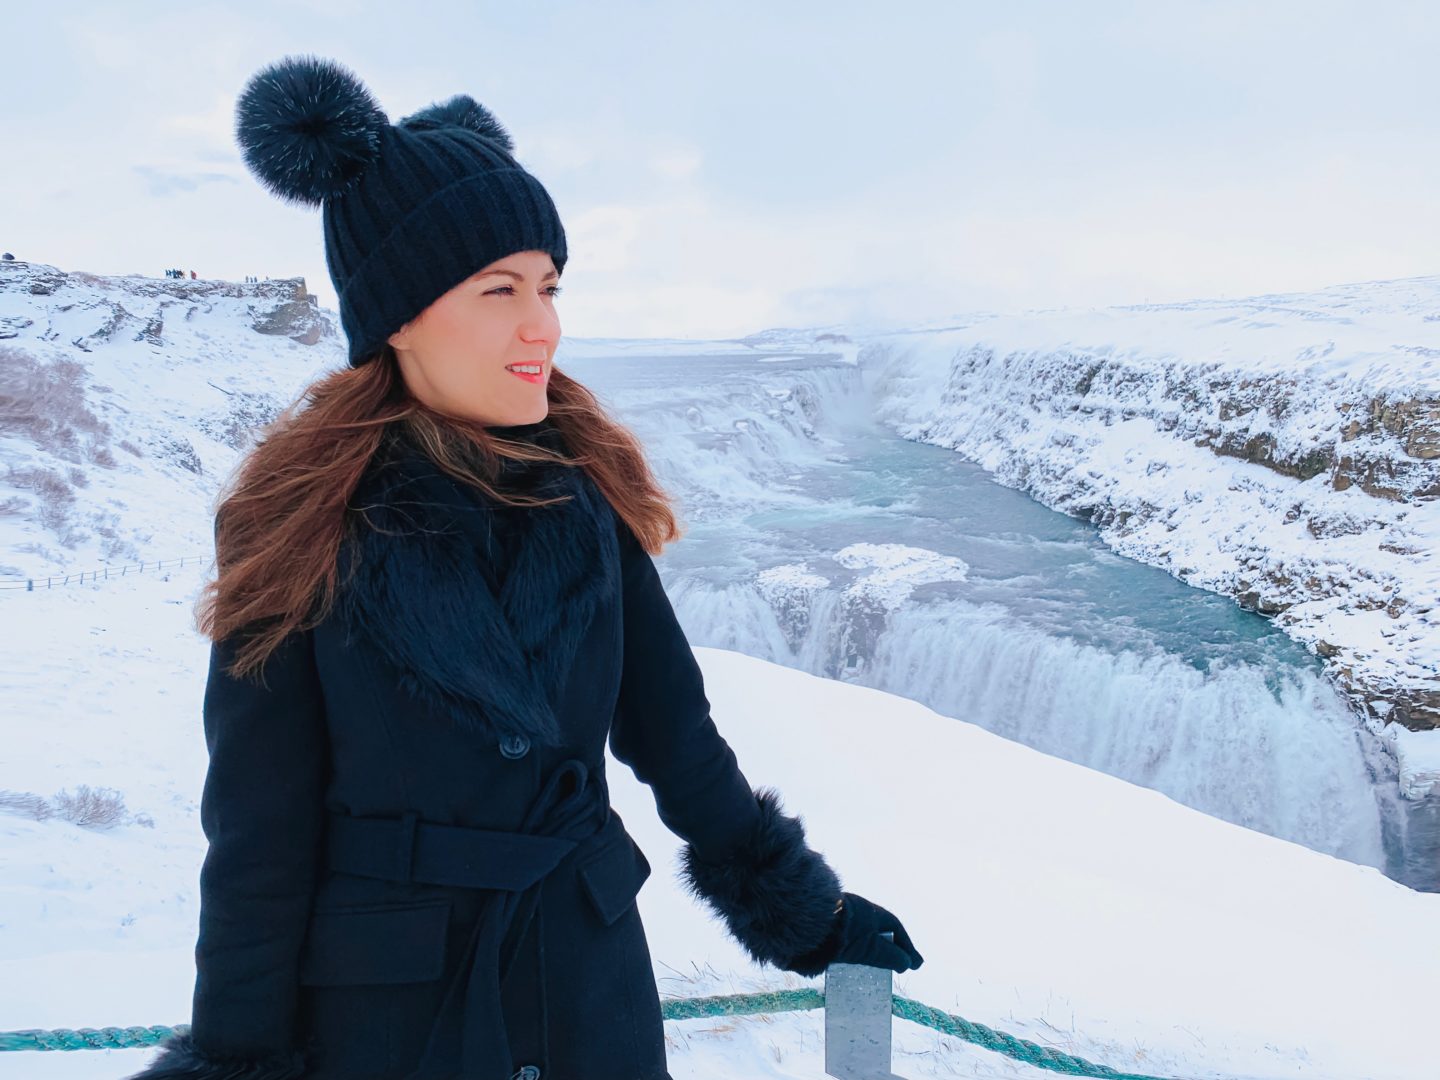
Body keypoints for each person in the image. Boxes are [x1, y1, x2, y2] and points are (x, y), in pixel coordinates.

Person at [124, 54, 921, 1080]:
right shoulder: (299, 527)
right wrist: (234, 1060)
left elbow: (677, 741)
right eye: (500, 288)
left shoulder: (583, 498)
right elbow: (257, 842)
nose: (541, 323)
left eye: (548, 284)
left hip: (586, 979)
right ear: (400, 315)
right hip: (388, 1012)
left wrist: (810, 919)